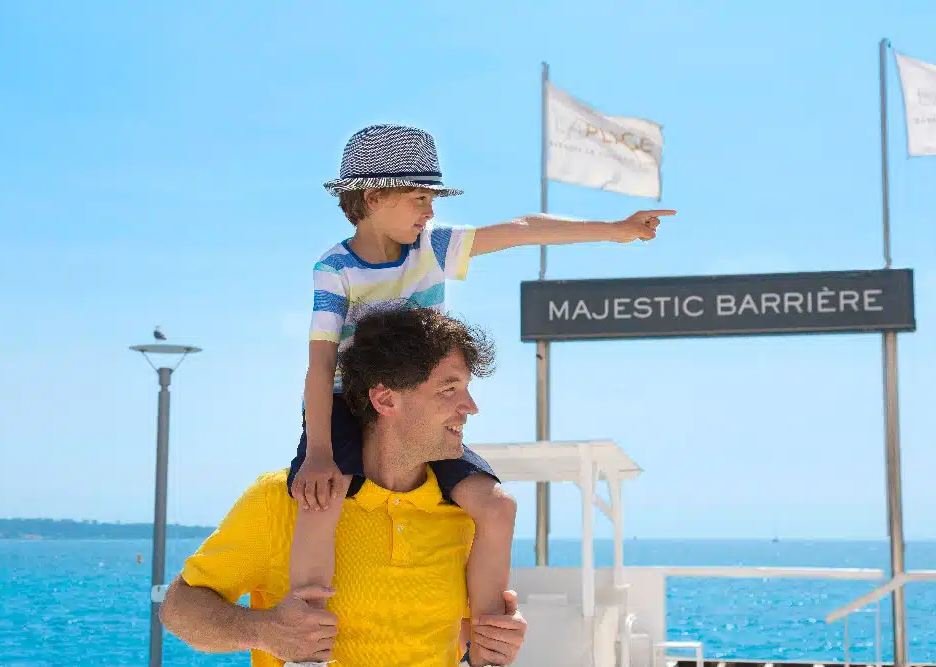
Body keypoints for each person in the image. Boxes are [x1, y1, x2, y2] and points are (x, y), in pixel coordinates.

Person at [291, 123, 674, 666]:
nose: (429, 210)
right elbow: (320, 363)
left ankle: (485, 653)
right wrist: (320, 453)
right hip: (347, 403)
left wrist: (616, 230)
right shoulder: (335, 269)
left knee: (496, 506)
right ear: (372, 197)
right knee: (321, 499)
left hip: (420, 411)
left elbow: (522, 228)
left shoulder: (433, 248)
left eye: (432, 199)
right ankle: (307, 651)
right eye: (418, 197)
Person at [159, 307, 527, 666]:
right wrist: (264, 631)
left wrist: (498, 640)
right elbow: (179, 608)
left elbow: (465, 637)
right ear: (385, 399)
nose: (471, 407)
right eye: (449, 389)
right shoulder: (282, 501)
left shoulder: (465, 514)